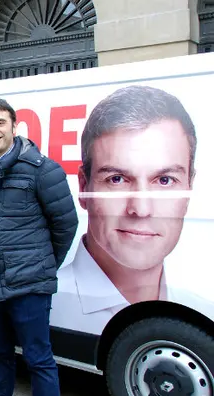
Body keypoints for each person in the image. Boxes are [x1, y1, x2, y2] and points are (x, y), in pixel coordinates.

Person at [0, 98, 78, 396]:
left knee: (39, 360)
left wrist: (42, 265)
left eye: (0, 122)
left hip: (30, 285)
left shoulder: (43, 170)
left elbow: (66, 224)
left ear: (15, 127)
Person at [53, 86, 199, 333]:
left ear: (189, 187)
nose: (140, 209)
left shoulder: (202, 311)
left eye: (164, 180)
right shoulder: (48, 303)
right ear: (84, 187)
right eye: (117, 179)